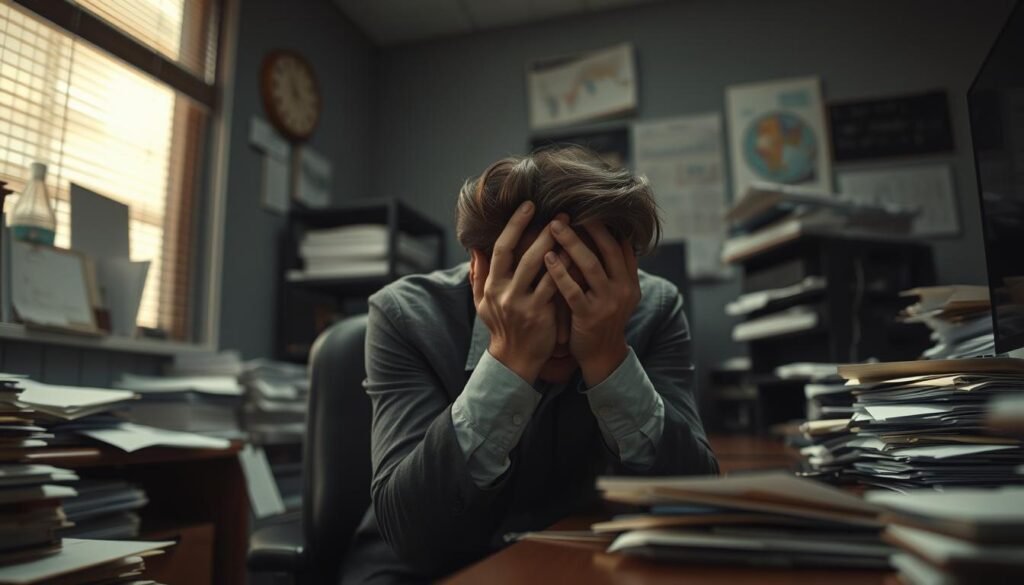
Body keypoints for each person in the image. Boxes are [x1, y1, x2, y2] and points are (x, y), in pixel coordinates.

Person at [341, 146, 718, 584]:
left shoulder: (656, 309)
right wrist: (509, 358)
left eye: (580, 299)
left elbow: (695, 500)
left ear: (626, 269)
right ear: (478, 269)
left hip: (572, 564)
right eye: (534, 295)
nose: (559, 337)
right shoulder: (404, 316)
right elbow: (410, 533)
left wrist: (606, 355)